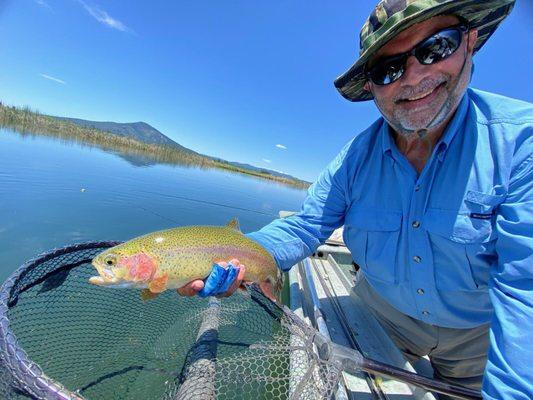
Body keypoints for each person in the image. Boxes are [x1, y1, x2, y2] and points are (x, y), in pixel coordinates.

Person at [179, 1, 533, 398]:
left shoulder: (522, 144)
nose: (413, 76)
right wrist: (238, 254)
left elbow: (525, 289)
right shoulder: (354, 160)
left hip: (478, 336)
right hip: (379, 312)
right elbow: (307, 225)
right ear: (371, 86)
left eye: (435, 48)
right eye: (388, 69)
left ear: (469, 41)